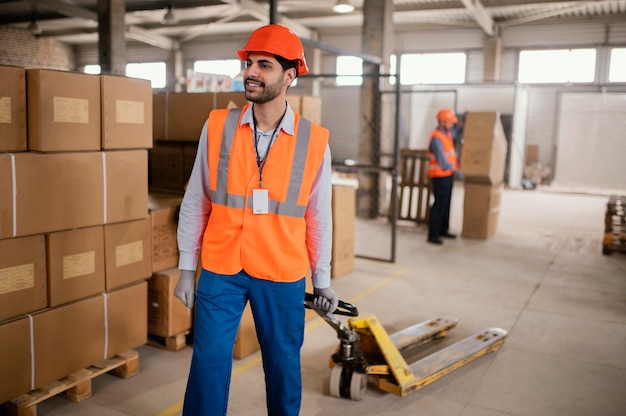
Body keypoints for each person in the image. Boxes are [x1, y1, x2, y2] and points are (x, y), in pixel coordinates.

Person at [173, 24, 340, 416]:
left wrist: (323, 280)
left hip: (282, 272)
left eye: (264, 65)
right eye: (249, 62)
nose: (251, 71)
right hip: (221, 266)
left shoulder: (314, 141)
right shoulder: (217, 126)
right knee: (208, 363)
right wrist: (185, 267)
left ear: (290, 75)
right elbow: (196, 199)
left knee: (283, 367)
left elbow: (318, 217)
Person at [427, 108, 461, 245]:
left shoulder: (447, 134)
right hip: (439, 176)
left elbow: (457, 131)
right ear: (442, 122)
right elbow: (442, 160)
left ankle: (443, 230)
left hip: (447, 176)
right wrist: (455, 169)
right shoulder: (436, 138)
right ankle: (433, 234)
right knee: (439, 205)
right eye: (450, 122)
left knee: (446, 205)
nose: (452, 125)